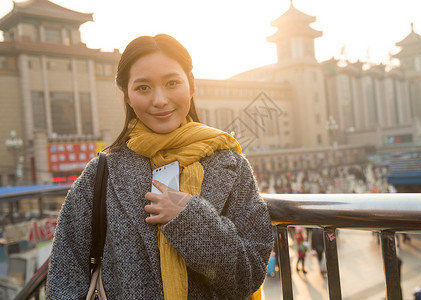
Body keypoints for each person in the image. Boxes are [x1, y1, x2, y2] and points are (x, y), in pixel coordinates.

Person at [46, 34, 273, 299]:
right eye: (143, 87)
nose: (160, 100)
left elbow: (248, 276)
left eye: (172, 83)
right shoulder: (100, 175)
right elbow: (64, 280)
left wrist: (189, 218)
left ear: (191, 86)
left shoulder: (232, 167)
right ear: (127, 95)